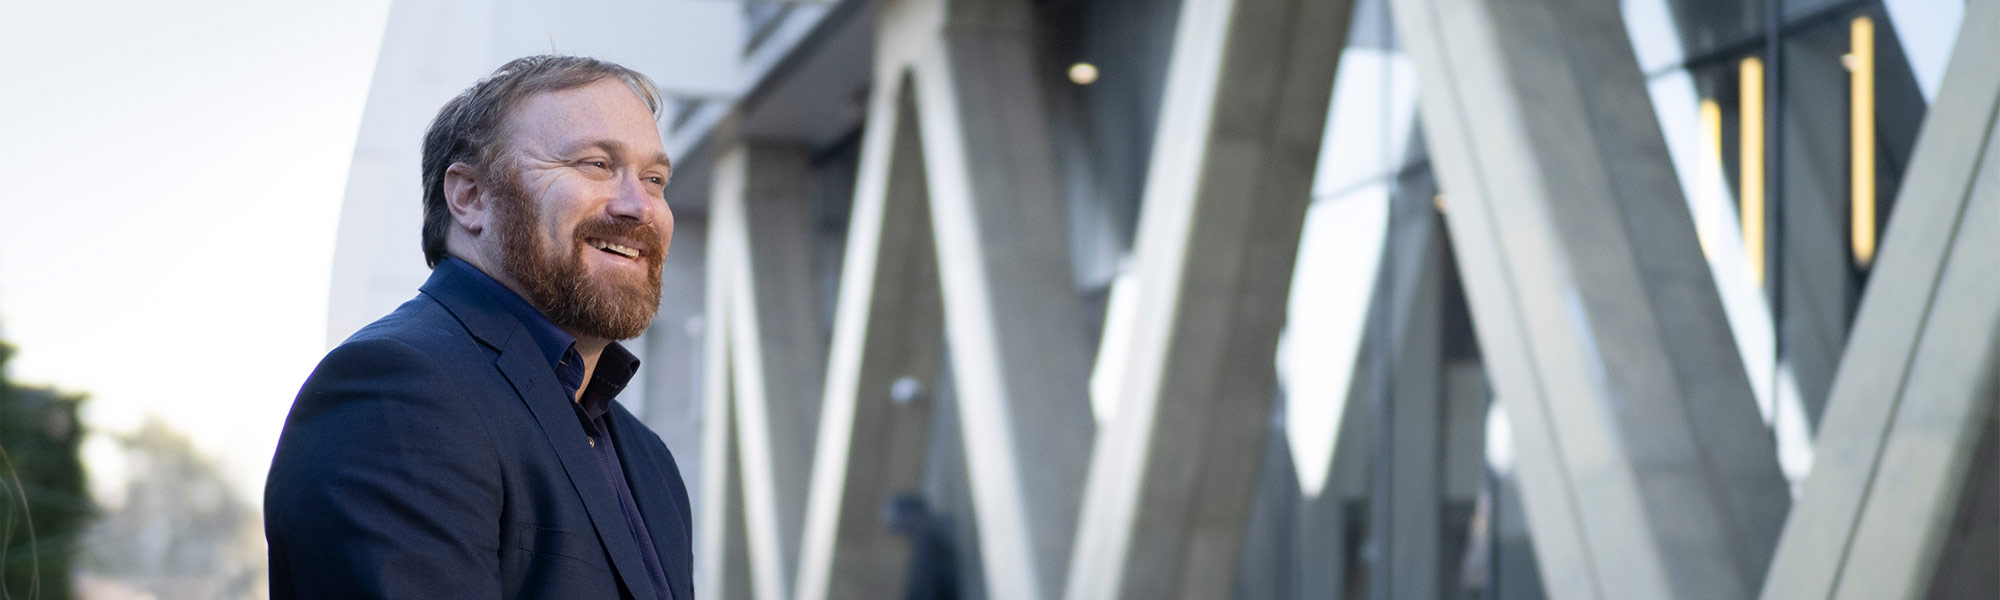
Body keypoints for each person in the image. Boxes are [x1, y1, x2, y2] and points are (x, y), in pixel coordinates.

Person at [265, 55, 691, 600]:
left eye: (655, 179)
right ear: (470, 197)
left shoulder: (647, 457)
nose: (641, 207)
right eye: (595, 165)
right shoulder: (396, 395)